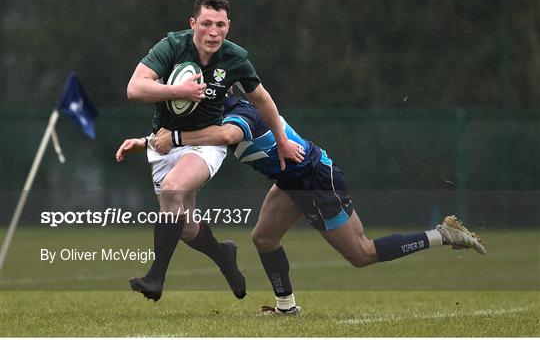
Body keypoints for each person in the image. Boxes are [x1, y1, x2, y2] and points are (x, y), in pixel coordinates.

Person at [116, 93, 486, 314]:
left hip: (314, 180)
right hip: (289, 182)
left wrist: (172, 135)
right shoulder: (211, 117)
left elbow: (221, 135)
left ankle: (442, 234)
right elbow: (192, 137)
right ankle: (287, 308)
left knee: (362, 253)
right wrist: (145, 141)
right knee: (263, 238)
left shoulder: (240, 115)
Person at [124, 0, 303, 302]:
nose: (213, 32)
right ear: (193, 24)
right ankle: (225, 259)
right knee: (186, 226)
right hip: (166, 141)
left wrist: (283, 139)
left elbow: (262, 99)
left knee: (171, 191)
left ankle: (155, 277)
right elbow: (134, 88)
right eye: (206, 24)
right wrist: (178, 90)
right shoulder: (171, 47)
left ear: (228, 26)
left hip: (204, 143)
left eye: (220, 25)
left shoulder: (234, 58)